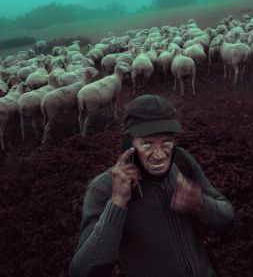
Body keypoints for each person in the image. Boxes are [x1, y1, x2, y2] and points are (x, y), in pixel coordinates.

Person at [70, 94, 235, 277]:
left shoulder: (182, 162)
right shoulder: (103, 189)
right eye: (147, 143)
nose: (159, 155)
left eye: (166, 142)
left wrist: (200, 203)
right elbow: (82, 271)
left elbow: (227, 217)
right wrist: (117, 204)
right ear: (128, 144)